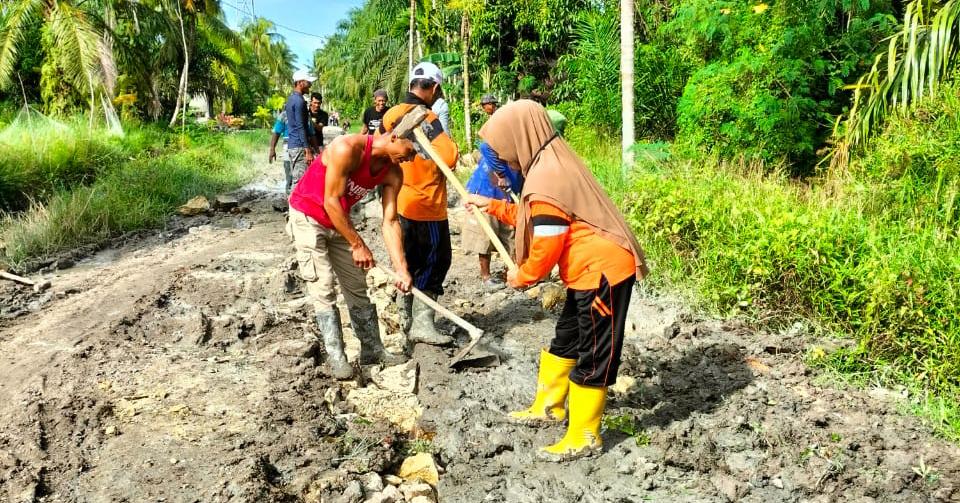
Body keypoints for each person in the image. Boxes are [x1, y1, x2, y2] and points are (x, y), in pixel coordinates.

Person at [464, 100, 648, 461]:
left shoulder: (547, 174)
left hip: (602, 272)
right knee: (568, 338)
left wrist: (525, 275)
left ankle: (584, 435)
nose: (505, 161)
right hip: (585, 271)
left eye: (504, 151)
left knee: (595, 350)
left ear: (520, 138)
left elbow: (548, 238)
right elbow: (538, 213)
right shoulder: (549, 163)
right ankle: (550, 407)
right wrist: (494, 206)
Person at [287, 133, 417, 379]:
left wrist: (401, 268)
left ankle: (373, 350)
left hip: (340, 222)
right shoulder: (347, 148)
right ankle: (337, 358)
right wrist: (358, 244)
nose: (410, 159)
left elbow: (390, 222)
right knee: (323, 286)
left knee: (357, 285)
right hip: (309, 216)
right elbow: (330, 201)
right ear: (395, 136)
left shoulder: (393, 173)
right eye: (410, 151)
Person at [380, 62, 460, 346]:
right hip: (427, 203)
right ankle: (422, 324)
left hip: (400, 200)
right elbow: (448, 157)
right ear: (435, 88)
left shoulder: (390, 114)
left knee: (408, 262)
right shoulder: (425, 116)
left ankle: (406, 318)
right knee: (436, 261)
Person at [463, 142, 520, 291]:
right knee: (485, 236)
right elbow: (485, 147)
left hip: (507, 196)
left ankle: (514, 271)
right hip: (485, 190)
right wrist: (501, 174)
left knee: (512, 236)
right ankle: (486, 276)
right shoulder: (503, 138)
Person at [285, 69, 318, 188]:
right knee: (300, 182)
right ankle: (294, 206)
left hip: (293, 145)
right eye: (308, 82)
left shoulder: (291, 99)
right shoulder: (299, 102)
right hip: (299, 146)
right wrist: (307, 149)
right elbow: (300, 126)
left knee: (300, 179)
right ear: (300, 83)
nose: (310, 85)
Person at [268, 110, 293, 193]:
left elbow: (311, 134)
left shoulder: (304, 113)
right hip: (288, 147)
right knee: (289, 173)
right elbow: (277, 132)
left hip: (302, 148)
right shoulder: (284, 115)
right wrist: (272, 149)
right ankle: (289, 196)